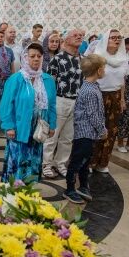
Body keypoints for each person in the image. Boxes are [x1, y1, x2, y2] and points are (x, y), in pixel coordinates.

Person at [0, 43, 57, 183]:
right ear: (25, 58)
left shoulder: (48, 80)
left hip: (39, 128)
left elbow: (52, 104)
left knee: (34, 158)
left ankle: (29, 190)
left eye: (39, 56)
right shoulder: (16, 79)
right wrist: (9, 126)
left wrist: (52, 124)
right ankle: (13, 191)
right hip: (20, 127)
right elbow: (6, 104)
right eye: (32, 56)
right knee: (18, 157)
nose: (36, 59)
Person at [63, 54, 107, 204]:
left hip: (89, 133)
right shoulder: (89, 91)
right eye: (104, 68)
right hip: (84, 133)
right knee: (77, 161)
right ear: (99, 70)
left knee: (85, 161)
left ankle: (83, 186)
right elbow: (93, 115)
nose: (105, 70)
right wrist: (102, 130)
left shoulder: (93, 86)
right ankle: (69, 189)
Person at [85, 29, 129, 173]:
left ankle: (103, 163)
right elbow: (89, 78)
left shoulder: (123, 58)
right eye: (113, 37)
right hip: (98, 94)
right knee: (95, 128)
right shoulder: (97, 56)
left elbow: (123, 81)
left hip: (116, 96)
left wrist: (122, 98)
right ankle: (90, 162)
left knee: (111, 130)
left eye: (119, 37)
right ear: (106, 40)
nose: (116, 40)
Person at [42, 29, 84, 179]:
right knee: (53, 135)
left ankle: (60, 163)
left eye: (81, 35)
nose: (79, 36)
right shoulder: (57, 59)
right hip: (60, 99)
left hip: (76, 101)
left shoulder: (82, 58)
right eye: (75, 35)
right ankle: (46, 164)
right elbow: (49, 83)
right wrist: (50, 104)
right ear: (65, 40)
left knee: (68, 137)